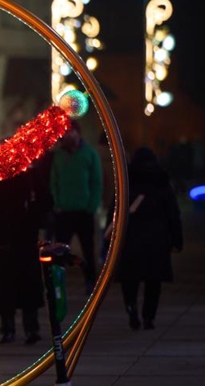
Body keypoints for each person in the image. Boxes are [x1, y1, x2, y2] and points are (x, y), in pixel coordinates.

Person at [112, 147, 183, 330]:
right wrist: (177, 240)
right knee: (154, 280)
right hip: (156, 238)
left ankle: (131, 308)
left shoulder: (127, 181)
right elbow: (173, 214)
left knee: (130, 278)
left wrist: (110, 237)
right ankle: (149, 316)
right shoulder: (162, 182)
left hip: (131, 237)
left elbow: (116, 210)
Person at [0, 168, 45, 345]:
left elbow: (42, 199)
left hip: (18, 233)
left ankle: (19, 328)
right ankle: (17, 328)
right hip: (11, 233)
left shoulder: (27, 174)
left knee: (19, 281)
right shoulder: (4, 174)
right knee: (8, 282)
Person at [50, 120, 102, 294]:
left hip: (84, 211)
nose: (69, 135)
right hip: (63, 211)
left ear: (79, 133)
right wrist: (57, 203)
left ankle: (91, 281)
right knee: (60, 251)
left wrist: (92, 206)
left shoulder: (90, 154)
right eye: (66, 132)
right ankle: (58, 284)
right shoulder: (58, 155)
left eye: (72, 132)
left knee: (88, 248)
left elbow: (96, 182)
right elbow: (53, 181)